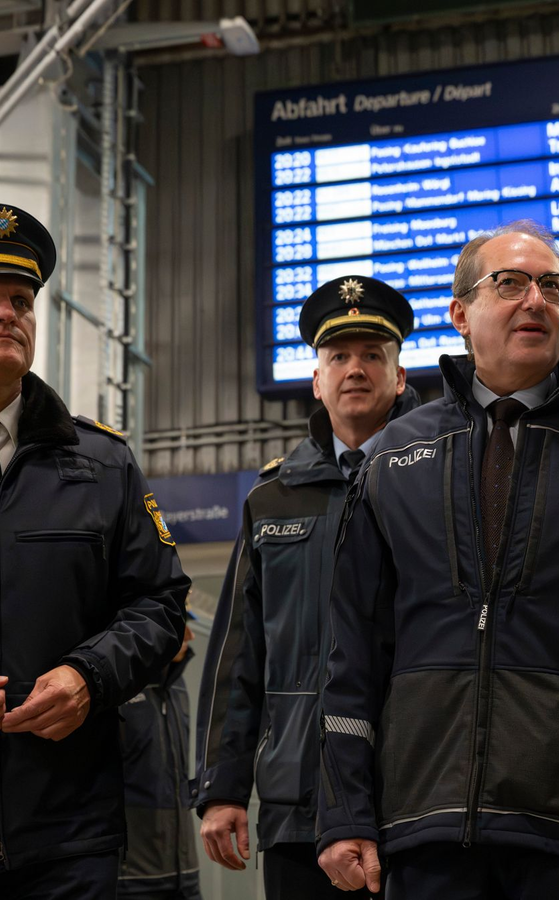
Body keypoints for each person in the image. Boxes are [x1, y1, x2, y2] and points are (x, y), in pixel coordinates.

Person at [317, 220, 559, 899]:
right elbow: (352, 649)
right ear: (460, 313)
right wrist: (344, 812)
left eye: (552, 286)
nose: (536, 300)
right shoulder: (394, 454)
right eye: (510, 283)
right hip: (426, 826)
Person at [0, 202, 188, 898]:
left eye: (21, 301)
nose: (8, 314)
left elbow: (160, 606)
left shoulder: (103, 464)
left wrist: (90, 676)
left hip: (70, 841)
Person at [191, 275, 419, 899]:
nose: (355, 369)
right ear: (317, 381)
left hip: (415, 793)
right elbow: (239, 652)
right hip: (298, 802)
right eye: (338, 356)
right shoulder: (273, 497)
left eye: (373, 355)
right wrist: (222, 787)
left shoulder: (439, 479)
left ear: (400, 377)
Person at [118, 609, 201, 899]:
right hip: (132, 877)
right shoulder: (120, 687)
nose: (190, 636)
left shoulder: (177, 687)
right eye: (182, 626)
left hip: (185, 873)